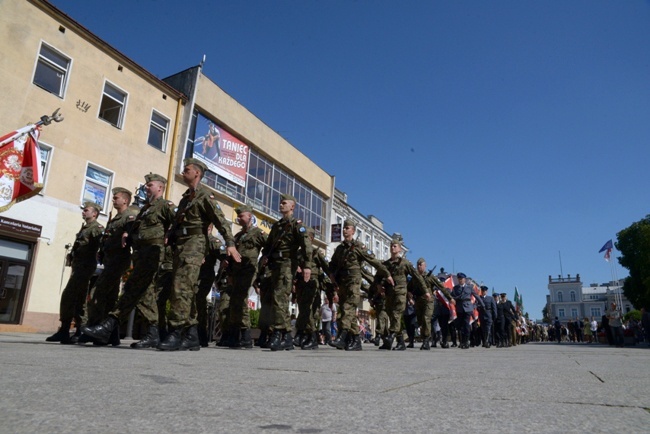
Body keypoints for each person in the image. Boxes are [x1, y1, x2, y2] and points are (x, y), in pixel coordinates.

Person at [82, 174, 175, 348]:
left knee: (133, 289)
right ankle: (151, 332)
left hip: (153, 254)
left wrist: (170, 238)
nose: (146, 187)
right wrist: (128, 233)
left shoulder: (165, 205)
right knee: (143, 293)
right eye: (146, 185)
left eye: (150, 185)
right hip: (141, 254)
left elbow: (178, 223)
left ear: (160, 188)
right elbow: (136, 228)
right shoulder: (146, 209)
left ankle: (108, 326)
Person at [159, 158, 241, 351]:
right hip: (180, 245)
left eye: (187, 169)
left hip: (194, 245)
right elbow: (178, 222)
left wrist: (230, 243)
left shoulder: (205, 196)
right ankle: (192, 334)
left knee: (182, 287)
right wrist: (169, 235)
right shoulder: (186, 197)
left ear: (197, 173)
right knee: (184, 289)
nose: (183, 171)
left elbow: (220, 221)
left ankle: (176, 331)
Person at [79, 189, 137, 344]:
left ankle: (94, 328)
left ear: (125, 200)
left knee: (96, 292)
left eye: (116, 198)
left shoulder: (129, 216)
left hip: (118, 260)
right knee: (110, 297)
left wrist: (127, 233)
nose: (113, 200)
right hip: (110, 260)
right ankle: (112, 336)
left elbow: (132, 228)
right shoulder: (115, 218)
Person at [328, 219, 391, 351]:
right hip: (342, 283)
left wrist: (387, 274)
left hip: (353, 282)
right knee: (347, 311)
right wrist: (331, 275)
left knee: (347, 308)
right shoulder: (340, 248)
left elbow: (374, 261)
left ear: (353, 231)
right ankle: (356, 340)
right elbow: (332, 264)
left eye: (347, 228)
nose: (345, 230)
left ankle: (342, 336)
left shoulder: (359, 247)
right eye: (344, 228)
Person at [260, 193, 312, 351]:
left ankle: (278, 332)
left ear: (292, 207)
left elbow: (306, 246)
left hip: (288, 264)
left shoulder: (297, 225)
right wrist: (265, 257)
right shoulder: (277, 226)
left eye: (284, 203)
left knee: (280, 297)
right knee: (278, 298)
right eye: (281, 203)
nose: (281, 205)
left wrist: (307, 266)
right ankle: (286, 335)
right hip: (275, 265)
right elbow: (269, 245)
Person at [46, 202, 104, 344]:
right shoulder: (84, 228)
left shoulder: (96, 228)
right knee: (77, 298)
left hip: (85, 268)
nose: (83, 212)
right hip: (78, 267)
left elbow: (102, 243)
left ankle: (77, 329)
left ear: (94, 214)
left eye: (86, 210)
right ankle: (69, 330)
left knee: (71, 296)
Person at [227, 205, 266, 348]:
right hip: (236, 271)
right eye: (238, 216)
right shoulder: (237, 236)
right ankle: (235, 333)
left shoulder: (258, 233)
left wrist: (263, 263)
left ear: (249, 216)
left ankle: (246, 335)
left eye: (241, 215)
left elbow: (269, 247)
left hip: (248, 270)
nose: (238, 218)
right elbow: (232, 257)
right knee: (235, 301)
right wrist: (229, 274)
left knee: (241, 298)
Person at [379, 238, 425, 351]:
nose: (392, 247)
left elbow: (417, 276)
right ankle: (400, 342)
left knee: (396, 314)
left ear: (399, 249)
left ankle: (391, 336)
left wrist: (425, 291)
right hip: (389, 293)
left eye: (395, 246)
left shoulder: (405, 263)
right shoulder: (386, 264)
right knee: (391, 314)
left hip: (400, 292)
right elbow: (378, 277)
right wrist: (378, 285)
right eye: (391, 246)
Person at [295, 227, 330, 350]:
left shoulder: (316, 253)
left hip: (312, 284)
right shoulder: (298, 253)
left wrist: (332, 283)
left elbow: (326, 268)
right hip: (300, 283)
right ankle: (303, 334)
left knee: (309, 310)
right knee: (303, 309)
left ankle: (312, 336)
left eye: (307, 237)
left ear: (312, 238)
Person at [191, 225, 226, 347]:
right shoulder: (196, 239)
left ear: (209, 228)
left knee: (199, 302)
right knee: (191, 302)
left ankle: (201, 335)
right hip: (193, 275)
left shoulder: (213, 241)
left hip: (205, 276)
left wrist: (220, 276)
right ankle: (193, 333)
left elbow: (225, 257)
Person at [451, 273, 484, 349]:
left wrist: (482, 304)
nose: (460, 280)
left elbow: (476, 296)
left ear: (464, 279)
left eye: (461, 279)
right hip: (459, 308)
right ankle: (462, 342)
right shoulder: (455, 288)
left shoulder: (470, 287)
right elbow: (452, 297)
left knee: (466, 325)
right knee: (460, 326)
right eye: (459, 279)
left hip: (468, 308)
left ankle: (466, 342)